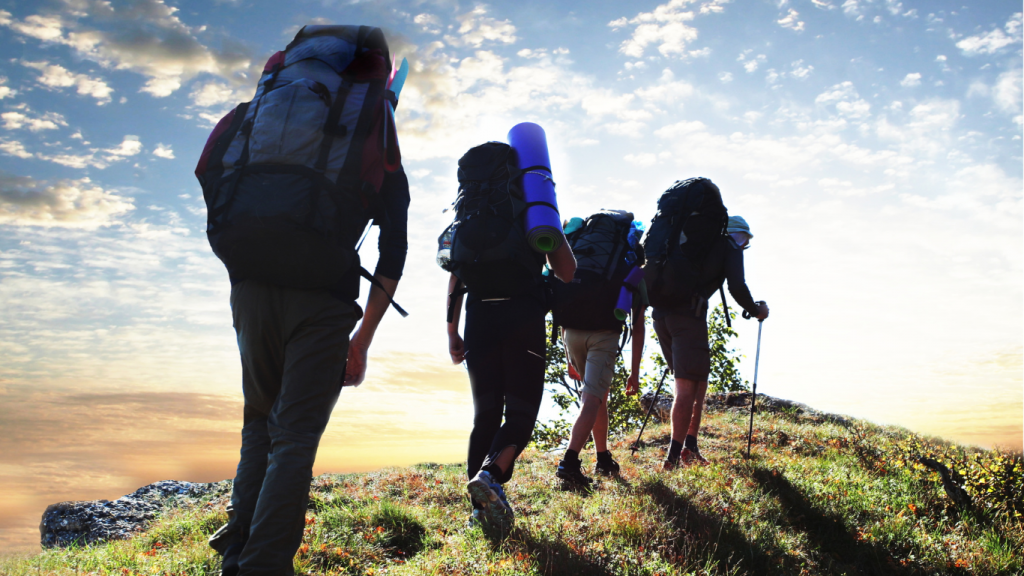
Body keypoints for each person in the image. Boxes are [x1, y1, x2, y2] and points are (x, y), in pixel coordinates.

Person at [446, 226, 575, 530]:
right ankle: (490, 476)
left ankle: (479, 513)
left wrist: (452, 330)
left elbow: (456, 273)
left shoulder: (472, 206)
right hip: (522, 315)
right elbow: (567, 272)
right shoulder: (534, 205)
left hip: (478, 317)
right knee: (521, 413)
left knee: (485, 418)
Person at [653, 214, 768, 469]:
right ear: (741, 237)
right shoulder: (729, 246)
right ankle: (672, 459)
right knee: (686, 389)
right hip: (687, 318)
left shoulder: (692, 244)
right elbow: (737, 286)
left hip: (661, 316)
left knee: (698, 382)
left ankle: (690, 447)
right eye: (745, 242)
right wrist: (756, 310)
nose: (743, 246)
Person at [554, 214, 648, 486]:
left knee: (598, 397)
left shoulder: (583, 255)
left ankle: (603, 457)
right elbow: (638, 327)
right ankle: (569, 463)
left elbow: (564, 302)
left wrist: (568, 356)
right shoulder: (631, 269)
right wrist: (634, 373)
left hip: (570, 333)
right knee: (592, 399)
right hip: (603, 337)